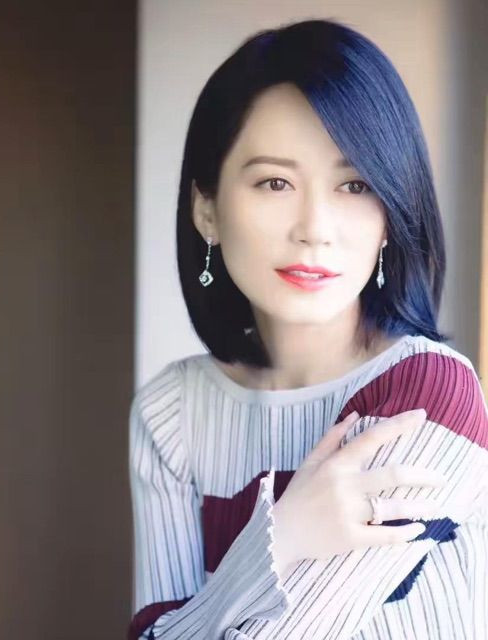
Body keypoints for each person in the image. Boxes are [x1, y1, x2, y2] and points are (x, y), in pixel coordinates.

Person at [127, 18, 488, 640]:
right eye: (275, 182)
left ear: (389, 214)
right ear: (207, 209)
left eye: (354, 185)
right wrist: (282, 535)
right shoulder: (170, 414)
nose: (315, 227)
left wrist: (222, 596)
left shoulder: (431, 398)